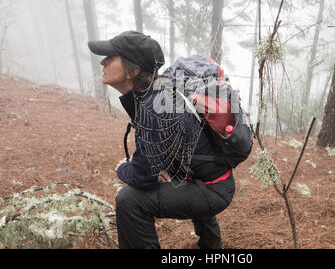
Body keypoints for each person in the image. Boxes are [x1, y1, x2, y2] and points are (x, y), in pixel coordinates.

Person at [88, 30, 235, 249]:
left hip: (211, 190)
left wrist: (122, 168)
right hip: (213, 179)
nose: (103, 62)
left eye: (110, 57)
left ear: (133, 69)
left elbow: (141, 178)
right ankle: (210, 246)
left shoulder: (153, 107)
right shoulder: (161, 92)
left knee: (129, 200)